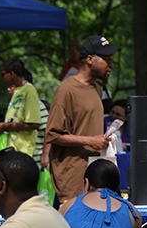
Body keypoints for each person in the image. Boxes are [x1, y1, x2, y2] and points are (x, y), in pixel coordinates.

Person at [45, 35, 118, 204]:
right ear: (90, 59)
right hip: (72, 178)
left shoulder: (96, 88)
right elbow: (53, 134)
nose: (111, 65)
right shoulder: (66, 90)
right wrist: (90, 141)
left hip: (94, 176)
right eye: (107, 60)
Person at [0, 58, 41, 157]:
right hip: (13, 150)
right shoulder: (18, 91)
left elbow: (34, 124)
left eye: (3, 75)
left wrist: (5, 126)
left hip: (24, 152)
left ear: (11, 74)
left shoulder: (29, 90)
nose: (2, 78)